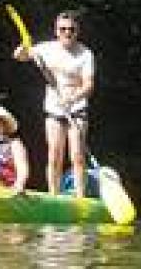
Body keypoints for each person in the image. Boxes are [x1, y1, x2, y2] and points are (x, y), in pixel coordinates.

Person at [13, 11, 96, 198]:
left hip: (77, 109)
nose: (67, 32)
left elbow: (89, 85)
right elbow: (20, 56)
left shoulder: (85, 54)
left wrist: (73, 98)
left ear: (77, 31)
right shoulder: (45, 48)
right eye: (63, 29)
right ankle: (54, 196)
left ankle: (80, 197)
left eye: (71, 29)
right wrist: (22, 49)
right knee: (54, 154)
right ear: (56, 31)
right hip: (54, 108)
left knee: (77, 155)